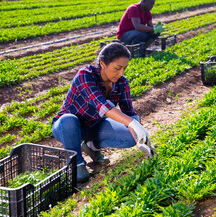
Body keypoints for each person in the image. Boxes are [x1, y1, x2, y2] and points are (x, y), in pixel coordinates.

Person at [51, 43, 156, 183]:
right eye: (117, 68)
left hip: (94, 126)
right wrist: (133, 123)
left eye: (124, 68)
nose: (121, 73)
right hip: (66, 128)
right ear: (103, 64)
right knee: (69, 119)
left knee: (130, 137)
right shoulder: (85, 75)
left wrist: (141, 135)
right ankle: (76, 162)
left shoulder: (121, 82)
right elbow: (102, 105)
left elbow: (129, 111)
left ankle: (91, 146)